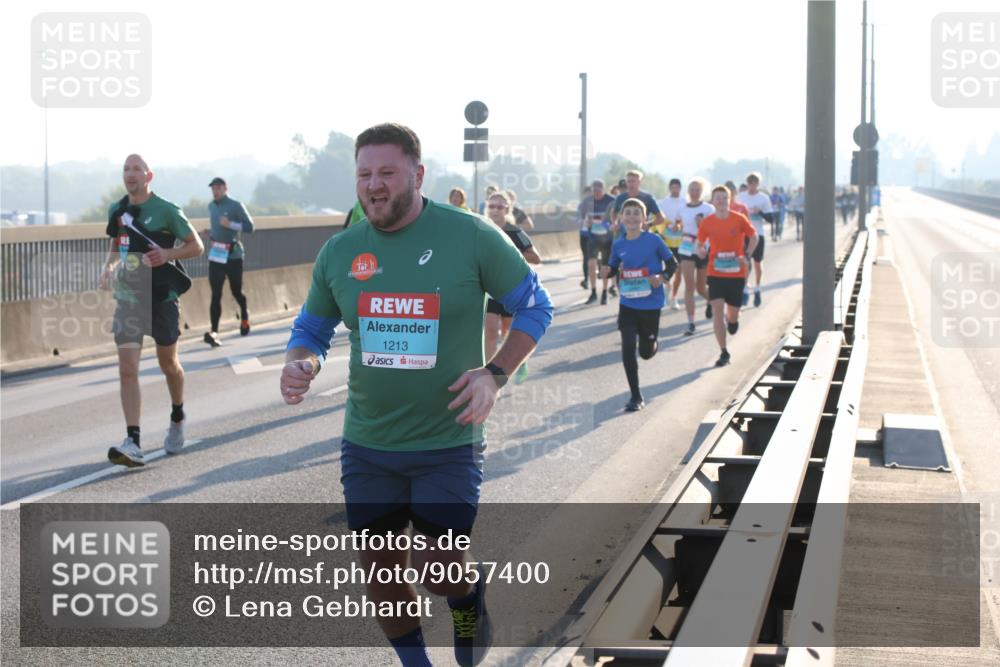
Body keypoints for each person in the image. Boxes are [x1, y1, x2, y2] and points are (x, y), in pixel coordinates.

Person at [280, 123, 553, 667]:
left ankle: (470, 598)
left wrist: (494, 374)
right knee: (380, 572)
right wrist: (302, 361)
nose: (373, 184)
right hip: (368, 441)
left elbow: (535, 305)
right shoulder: (340, 252)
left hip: (447, 438)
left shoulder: (471, 235)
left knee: (437, 566)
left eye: (386, 172)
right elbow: (311, 328)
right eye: (363, 174)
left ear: (418, 174)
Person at [100, 154, 204, 466]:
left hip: (162, 296)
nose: (130, 174)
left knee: (168, 363)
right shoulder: (118, 210)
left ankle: (177, 415)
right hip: (130, 296)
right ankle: (133, 440)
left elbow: (196, 245)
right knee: (127, 368)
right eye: (126, 169)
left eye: (136, 169)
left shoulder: (167, 210)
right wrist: (108, 268)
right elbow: (116, 244)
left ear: (149, 176)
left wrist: (168, 253)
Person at [603, 198, 677, 412]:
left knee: (645, 352)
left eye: (637, 213)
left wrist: (661, 277)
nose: (632, 217)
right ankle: (635, 396)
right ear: (621, 218)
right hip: (628, 303)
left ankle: (653, 343)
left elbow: (672, 263)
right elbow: (613, 264)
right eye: (628, 213)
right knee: (627, 348)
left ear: (645, 219)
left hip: (651, 304)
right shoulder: (618, 243)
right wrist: (607, 271)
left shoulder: (654, 240)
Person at [484, 191, 542, 385]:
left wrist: (513, 257)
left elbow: (536, 258)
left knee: (509, 334)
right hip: (490, 292)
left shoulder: (515, 232)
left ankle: (520, 361)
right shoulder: (481, 230)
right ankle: (491, 376)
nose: (495, 210)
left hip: (511, 291)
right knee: (491, 331)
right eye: (491, 206)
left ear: (507, 209)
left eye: (499, 206)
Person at [697, 185, 758, 367]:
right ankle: (724, 352)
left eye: (725, 198)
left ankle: (733, 321)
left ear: (729, 200)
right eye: (718, 198)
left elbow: (754, 236)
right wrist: (700, 251)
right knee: (717, 310)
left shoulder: (738, 219)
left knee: (732, 314)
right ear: (713, 201)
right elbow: (699, 243)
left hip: (736, 273)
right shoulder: (707, 222)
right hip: (715, 272)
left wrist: (746, 255)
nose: (722, 201)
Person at [202, 177, 254, 347]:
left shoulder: (235, 205)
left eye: (218, 188)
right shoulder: (211, 206)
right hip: (217, 253)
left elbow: (250, 227)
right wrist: (210, 232)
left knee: (236, 291)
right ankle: (214, 331)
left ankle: (244, 316)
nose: (215, 191)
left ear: (225, 188)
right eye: (213, 189)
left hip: (233, 255)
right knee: (216, 293)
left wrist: (230, 224)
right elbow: (217, 227)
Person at [676, 178, 715, 335]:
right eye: (692, 189)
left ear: (702, 191)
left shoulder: (708, 208)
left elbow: (713, 229)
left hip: (702, 248)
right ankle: (691, 322)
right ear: (688, 191)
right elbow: (679, 223)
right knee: (689, 286)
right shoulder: (682, 208)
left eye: (697, 190)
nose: (694, 193)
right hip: (686, 247)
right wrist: (676, 226)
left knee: (700, 288)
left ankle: (712, 302)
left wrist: (702, 223)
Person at [736, 171, 773, 308]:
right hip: (744, 235)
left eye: (754, 183)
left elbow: (771, 219)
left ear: (758, 184)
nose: (752, 186)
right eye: (749, 183)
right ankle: (745, 288)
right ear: (747, 184)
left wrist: (760, 212)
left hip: (758, 234)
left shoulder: (763, 198)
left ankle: (757, 288)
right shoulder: (741, 197)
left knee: (757, 263)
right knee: (745, 262)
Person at [581, 180, 617, 304]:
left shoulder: (611, 200)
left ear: (603, 189)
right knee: (591, 264)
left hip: (608, 239)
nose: (596, 194)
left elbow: (617, 218)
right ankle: (593, 292)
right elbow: (580, 218)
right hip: (593, 238)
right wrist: (586, 222)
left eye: (598, 191)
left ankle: (605, 292)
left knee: (605, 267)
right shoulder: (587, 201)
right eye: (594, 191)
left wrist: (609, 222)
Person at [655, 178, 686, 310]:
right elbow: (657, 219)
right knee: (667, 269)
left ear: (680, 188)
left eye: (677, 187)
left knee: (679, 270)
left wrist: (679, 225)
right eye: (672, 187)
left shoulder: (685, 202)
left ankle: (673, 297)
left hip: (682, 241)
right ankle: (666, 292)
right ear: (669, 188)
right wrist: (665, 226)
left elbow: (687, 219)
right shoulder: (662, 202)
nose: (675, 189)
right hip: (665, 240)